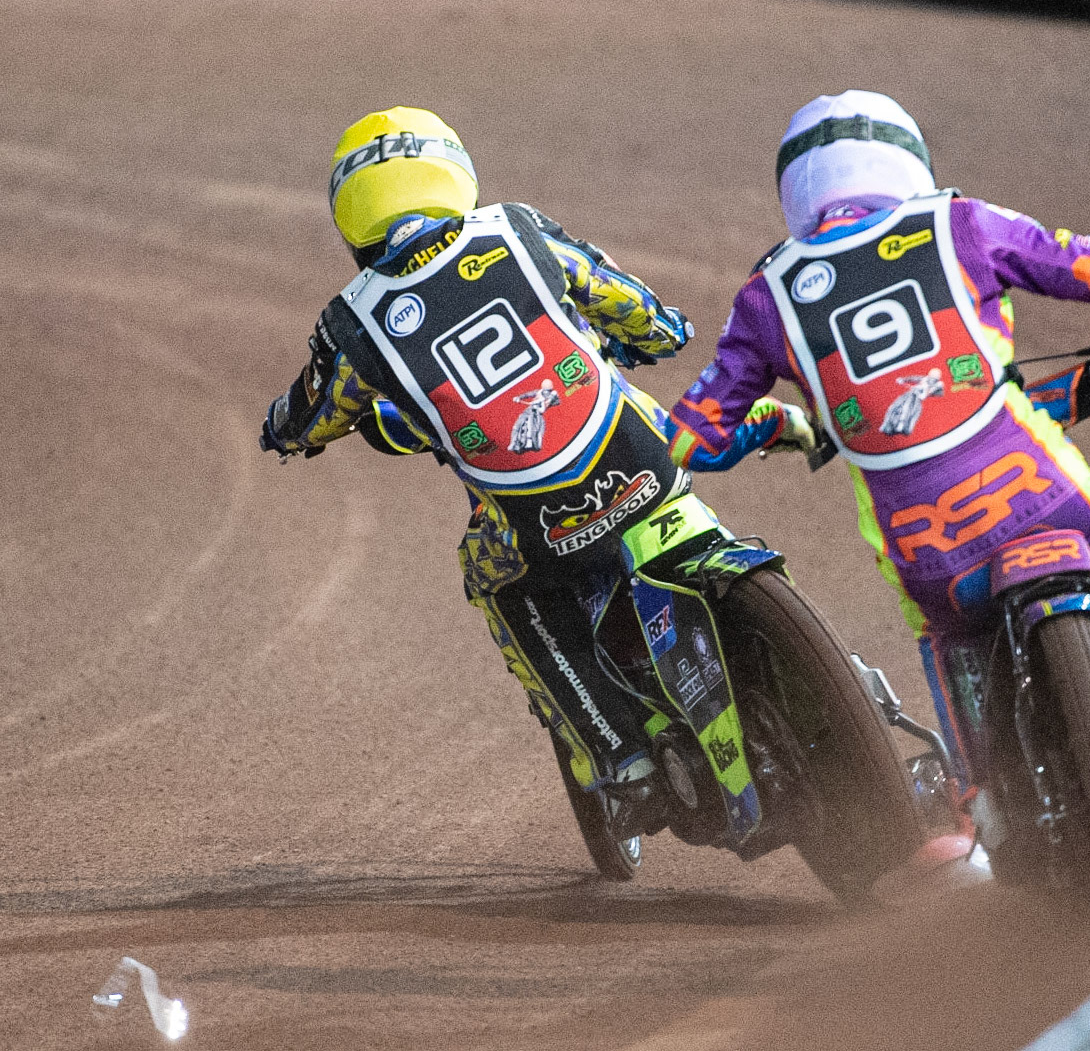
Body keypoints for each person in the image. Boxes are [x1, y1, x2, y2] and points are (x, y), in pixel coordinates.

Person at [664, 90, 1090, 860]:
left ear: (794, 194)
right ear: (908, 162)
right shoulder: (959, 223)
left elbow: (693, 437)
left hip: (930, 553)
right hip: (1047, 502)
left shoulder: (765, 296)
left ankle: (991, 810)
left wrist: (785, 425)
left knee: (948, 635)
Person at [260, 107, 807, 837]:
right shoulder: (515, 228)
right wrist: (661, 329)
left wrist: (282, 428)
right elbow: (624, 302)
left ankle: (622, 757)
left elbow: (317, 411)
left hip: (541, 526)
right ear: (451, 173)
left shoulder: (354, 323)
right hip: (640, 457)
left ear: (353, 215)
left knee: (496, 582)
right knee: (671, 457)